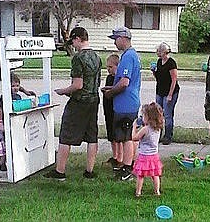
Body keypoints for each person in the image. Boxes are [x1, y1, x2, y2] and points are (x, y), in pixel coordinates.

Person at [45, 27, 102, 180]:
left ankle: (60, 171)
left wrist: (64, 91)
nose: (73, 45)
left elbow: (78, 84)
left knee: (66, 134)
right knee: (91, 135)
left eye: (73, 42)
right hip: (94, 100)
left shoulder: (78, 58)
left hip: (79, 101)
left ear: (77, 39)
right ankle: (89, 171)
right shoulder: (97, 57)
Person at [103, 26, 141, 181]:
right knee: (126, 136)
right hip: (127, 102)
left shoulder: (128, 57)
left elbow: (124, 83)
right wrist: (111, 87)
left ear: (123, 38)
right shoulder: (131, 55)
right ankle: (126, 165)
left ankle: (127, 168)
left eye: (116, 39)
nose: (115, 43)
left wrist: (111, 93)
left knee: (126, 137)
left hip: (126, 104)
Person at [132, 102, 164, 197]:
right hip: (154, 156)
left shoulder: (145, 129)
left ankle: (138, 192)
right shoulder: (158, 128)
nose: (142, 118)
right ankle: (157, 191)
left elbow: (134, 138)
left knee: (140, 175)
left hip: (144, 156)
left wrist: (133, 128)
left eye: (143, 116)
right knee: (155, 174)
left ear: (149, 117)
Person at [152, 42, 179, 145]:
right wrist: (154, 72)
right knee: (158, 113)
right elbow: (159, 78)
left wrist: (170, 95)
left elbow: (174, 80)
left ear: (164, 52)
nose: (157, 53)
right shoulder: (159, 62)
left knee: (167, 114)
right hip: (160, 91)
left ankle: (168, 136)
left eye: (159, 51)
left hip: (170, 91)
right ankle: (158, 134)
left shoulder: (171, 63)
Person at [101, 53, 124, 170]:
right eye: (107, 67)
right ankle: (114, 155)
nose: (108, 70)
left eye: (110, 67)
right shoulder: (109, 78)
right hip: (108, 108)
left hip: (117, 109)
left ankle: (120, 158)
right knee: (111, 133)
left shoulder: (119, 79)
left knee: (118, 135)